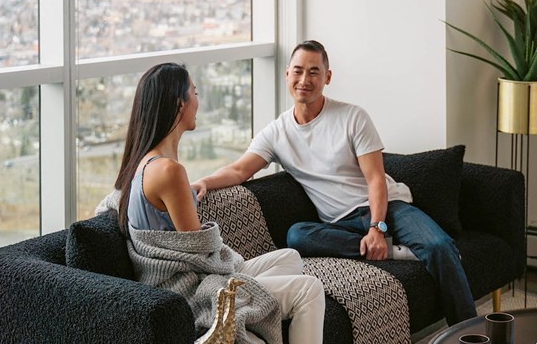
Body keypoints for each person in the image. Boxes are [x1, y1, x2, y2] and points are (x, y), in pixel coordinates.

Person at [193, 40, 477, 325]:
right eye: (298, 71)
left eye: (314, 72)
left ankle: (468, 336)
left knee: (440, 246)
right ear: (287, 75)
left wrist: (377, 228)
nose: (305, 80)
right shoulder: (276, 132)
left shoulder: (352, 117)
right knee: (297, 236)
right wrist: (204, 181)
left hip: (388, 206)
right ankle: (393, 252)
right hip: (338, 223)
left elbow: (376, 178)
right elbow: (240, 170)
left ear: (327, 77)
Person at [114, 62, 325, 344]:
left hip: (191, 276)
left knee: (290, 257)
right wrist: (219, 247)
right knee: (309, 289)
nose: (198, 102)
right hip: (190, 289)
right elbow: (199, 254)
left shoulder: (143, 163)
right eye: (194, 93)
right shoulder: (169, 172)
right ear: (179, 103)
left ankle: (268, 309)